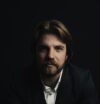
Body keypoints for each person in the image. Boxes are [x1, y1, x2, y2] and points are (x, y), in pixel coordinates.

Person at [8, 20, 99, 104]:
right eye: (43, 49)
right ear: (34, 52)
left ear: (67, 54)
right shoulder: (18, 81)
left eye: (58, 49)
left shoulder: (82, 81)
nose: (50, 56)